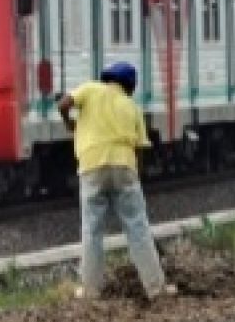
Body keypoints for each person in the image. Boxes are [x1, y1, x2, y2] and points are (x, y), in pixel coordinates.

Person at [57, 63, 173, 303]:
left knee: (92, 229)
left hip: (92, 164)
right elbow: (140, 149)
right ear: (129, 86)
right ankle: (155, 288)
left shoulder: (90, 90)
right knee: (137, 227)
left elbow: (63, 104)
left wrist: (70, 124)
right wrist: (135, 178)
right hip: (124, 166)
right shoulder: (132, 106)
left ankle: (90, 291)